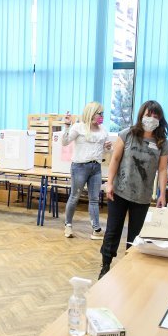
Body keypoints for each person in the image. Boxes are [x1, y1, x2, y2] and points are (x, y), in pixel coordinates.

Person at [99, 100, 168, 279]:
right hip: (119, 192)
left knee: (136, 235)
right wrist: (109, 183)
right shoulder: (127, 134)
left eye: (155, 116)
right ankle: (105, 265)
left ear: (160, 119)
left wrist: (162, 194)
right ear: (141, 115)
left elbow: (163, 169)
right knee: (113, 230)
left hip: (142, 196)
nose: (151, 118)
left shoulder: (162, 143)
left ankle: (128, 268)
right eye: (148, 114)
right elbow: (115, 159)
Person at [61, 102, 111, 239]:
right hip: (80, 167)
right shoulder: (79, 127)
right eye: (99, 113)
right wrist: (67, 126)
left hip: (96, 167)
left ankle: (96, 229)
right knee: (74, 197)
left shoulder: (103, 129)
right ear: (91, 113)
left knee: (94, 199)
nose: (101, 116)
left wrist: (108, 147)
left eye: (102, 113)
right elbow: (64, 142)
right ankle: (68, 225)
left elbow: (107, 150)